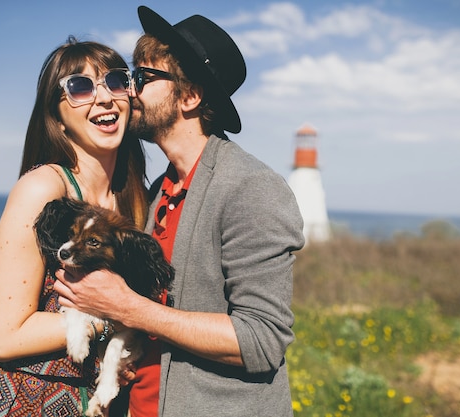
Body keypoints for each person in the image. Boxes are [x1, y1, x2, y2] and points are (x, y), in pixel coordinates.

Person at [54, 6, 305, 417]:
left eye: (143, 78)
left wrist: (130, 308)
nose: (127, 91)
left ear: (189, 96)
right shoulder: (158, 192)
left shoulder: (250, 188)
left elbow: (261, 341)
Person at [0, 36, 148, 416]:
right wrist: (114, 319)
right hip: (16, 402)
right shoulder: (43, 188)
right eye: (80, 87)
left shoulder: (133, 199)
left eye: (116, 81)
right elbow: (6, 336)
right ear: (56, 115)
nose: (104, 97)